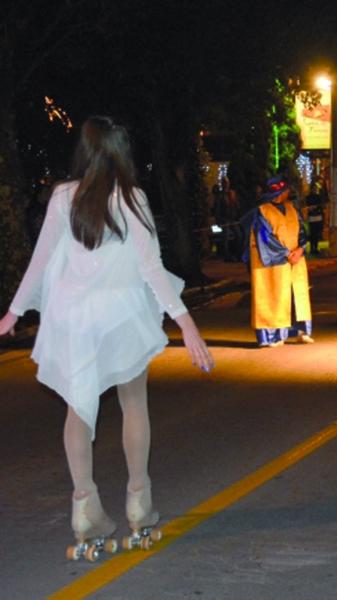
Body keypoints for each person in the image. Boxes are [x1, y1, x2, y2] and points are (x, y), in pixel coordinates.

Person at [0, 116, 214, 558]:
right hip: (121, 316)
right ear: (122, 152)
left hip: (75, 319)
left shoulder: (63, 197)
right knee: (134, 402)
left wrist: (14, 311)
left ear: (86, 150)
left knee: (79, 410)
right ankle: (139, 501)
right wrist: (186, 323)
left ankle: (85, 506)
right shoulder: (132, 199)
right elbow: (151, 267)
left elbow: (40, 261)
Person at [244, 176, 313, 347]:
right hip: (272, 261)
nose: (289, 192)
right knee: (273, 295)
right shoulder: (261, 212)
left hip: (295, 259)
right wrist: (287, 253)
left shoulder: (292, 208)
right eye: (287, 190)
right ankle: (272, 335)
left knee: (298, 294)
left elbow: (302, 232)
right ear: (280, 192)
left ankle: (301, 330)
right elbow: (264, 239)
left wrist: (300, 249)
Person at [304, 179, 327, 255]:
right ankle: (312, 248)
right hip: (313, 217)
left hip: (317, 216)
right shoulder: (309, 197)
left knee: (316, 233)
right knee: (313, 233)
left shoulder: (318, 197)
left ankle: (315, 248)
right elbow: (307, 206)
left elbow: (321, 205)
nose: (314, 190)